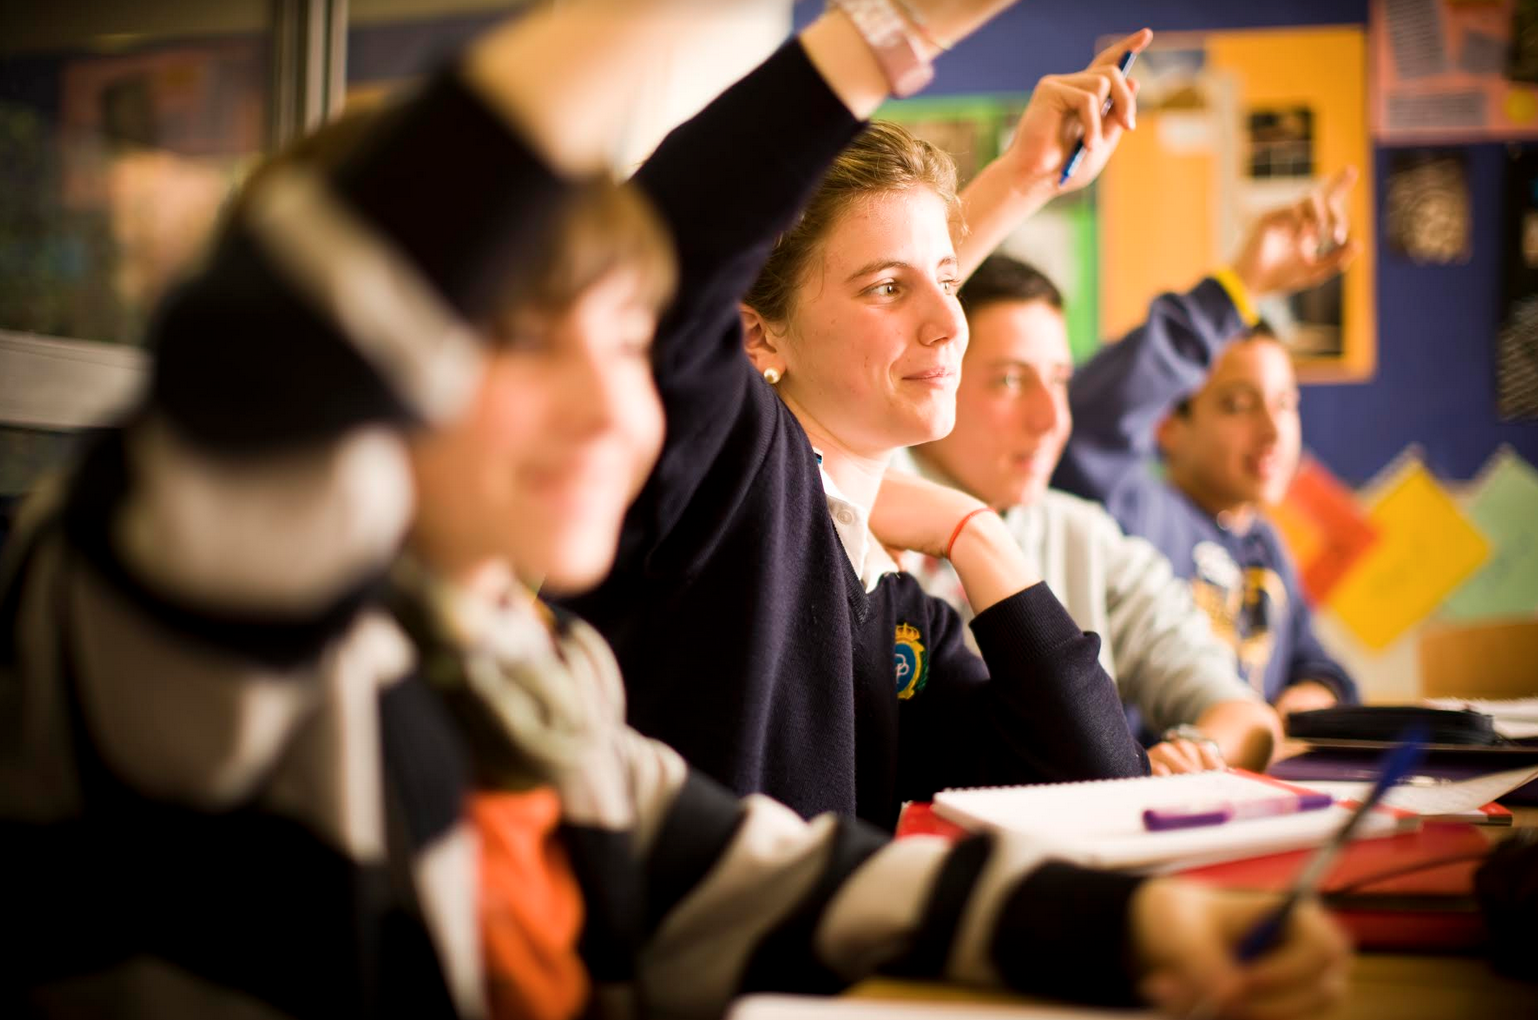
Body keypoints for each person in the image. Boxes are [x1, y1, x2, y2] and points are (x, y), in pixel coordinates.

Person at [0, 4, 1353, 1020]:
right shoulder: (184, 612)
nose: (614, 410)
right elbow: (316, 326)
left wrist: (1127, 938)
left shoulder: (522, 679)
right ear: (375, 365)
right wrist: (880, 30)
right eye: (529, 342)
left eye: (618, 351)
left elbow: (759, 876)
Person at [563, 23, 1159, 830]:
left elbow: (1101, 787)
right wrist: (890, 24)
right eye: (888, 289)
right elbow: (675, 244)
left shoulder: (893, 608)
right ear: (757, 337)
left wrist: (976, 531)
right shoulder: (730, 481)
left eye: (947, 281)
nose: (951, 322)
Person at [899, 254, 1283, 775]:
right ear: (933, 378)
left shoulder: (1085, 534)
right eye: (1010, 381)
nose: (1051, 419)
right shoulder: (859, 519)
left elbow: (1244, 714)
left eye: (1059, 380)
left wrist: (1197, 755)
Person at [1053, 170, 1364, 717]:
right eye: (1238, 405)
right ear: (1169, 425)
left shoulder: (1266, 543)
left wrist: (1312, 697)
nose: (1273, 431)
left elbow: (1323, 667)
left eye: (1286, 403)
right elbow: (1095, 420)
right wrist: (1241, 287)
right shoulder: (1137, 514)